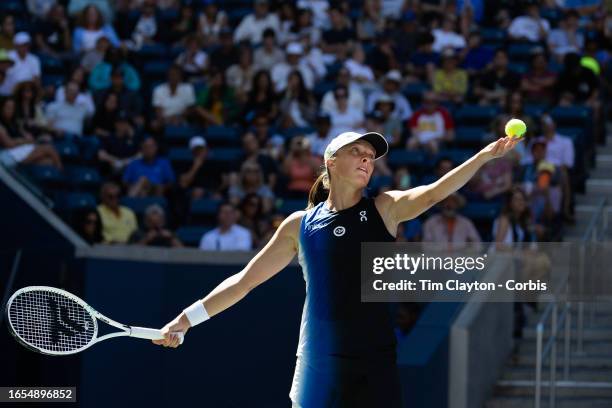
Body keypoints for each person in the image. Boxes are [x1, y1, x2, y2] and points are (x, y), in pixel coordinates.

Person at [153, 129, 520, 407]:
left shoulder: (384, 207)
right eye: (356, 152)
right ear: (331, 160)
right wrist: (186, 319)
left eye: (371, 156)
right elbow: (243, 282)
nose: (366, 159)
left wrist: (483, 157)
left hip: (374, 360)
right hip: (318, 362)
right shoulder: (299, 225)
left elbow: (436, 192)